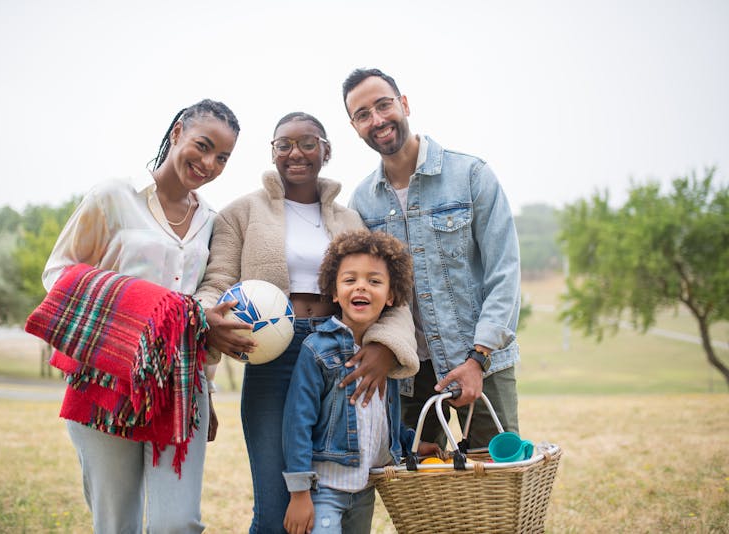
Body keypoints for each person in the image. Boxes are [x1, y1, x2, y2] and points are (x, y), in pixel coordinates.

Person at [195, 112, 419, 533]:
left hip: (337, 354)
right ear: (273, 152)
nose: (295, 153)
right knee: (277, 504)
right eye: (284, 144)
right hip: (272, 355)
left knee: (332, 495)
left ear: (326, 150)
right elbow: (218, 281)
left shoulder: (349, 219)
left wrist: (385, 347)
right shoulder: (239, 213)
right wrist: (206, 318)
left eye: (308, 143)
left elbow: (389, 290)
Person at [41, 100, 240, 533]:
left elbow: (198, 310)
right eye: (202, 146)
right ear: (177, 133)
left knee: (178, 523)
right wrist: (144, 308)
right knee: (117, 522)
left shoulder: (210, 220)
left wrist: (207, 391)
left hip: (182, 385)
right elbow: (57, 274)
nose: (208, 163)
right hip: (108, 377)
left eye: (222, 157)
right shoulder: (114, 196)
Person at [342, 68, 522, 450]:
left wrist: (478, 359)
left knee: (496, 479)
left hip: (482, 362)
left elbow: (504, 274)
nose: (377, 119)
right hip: (409, 373)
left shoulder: (471, 176)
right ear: (355, 126)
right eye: (362, 114)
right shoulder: (361, 202)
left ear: (403, 104)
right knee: (420, 491)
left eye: (383, 105)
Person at [282, 230, 440, 534]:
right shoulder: (317, 350)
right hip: (325, 489)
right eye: (350, 280)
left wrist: (411, 444)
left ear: (391, 296)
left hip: (366, 487)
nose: (361, 287)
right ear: (334, 292)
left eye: (375, 281)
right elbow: (297, 423)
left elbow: (380, 421)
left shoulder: (388, 356)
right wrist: (300, 493)